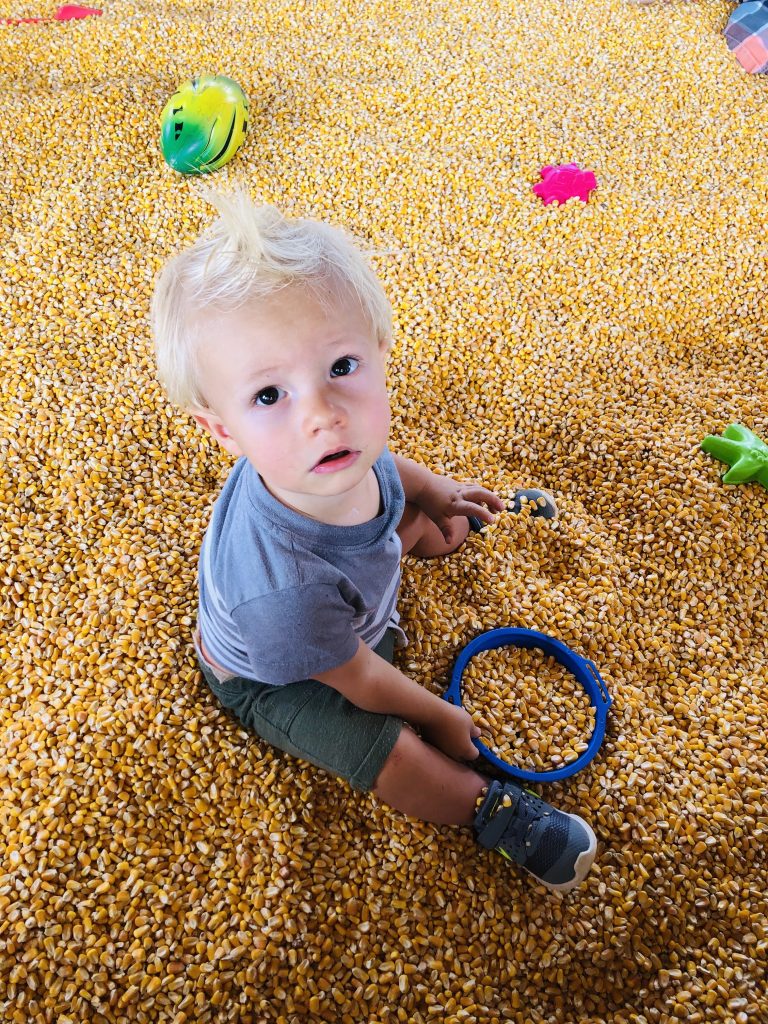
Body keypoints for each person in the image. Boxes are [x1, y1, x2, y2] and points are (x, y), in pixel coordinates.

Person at [151, 190, 597, 892]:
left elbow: (386, 469)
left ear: (381, 351)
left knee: (428, 518)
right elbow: (359, 677)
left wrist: (436, 489)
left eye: (341, 368)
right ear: (224, 431)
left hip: (346, 588)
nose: (324, 415)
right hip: (284, 676)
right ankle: (492, 814)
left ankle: (471, 517)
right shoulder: (282, 596)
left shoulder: (326, 461)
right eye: (270, 396)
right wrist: (444, 717)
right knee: (388, 754)